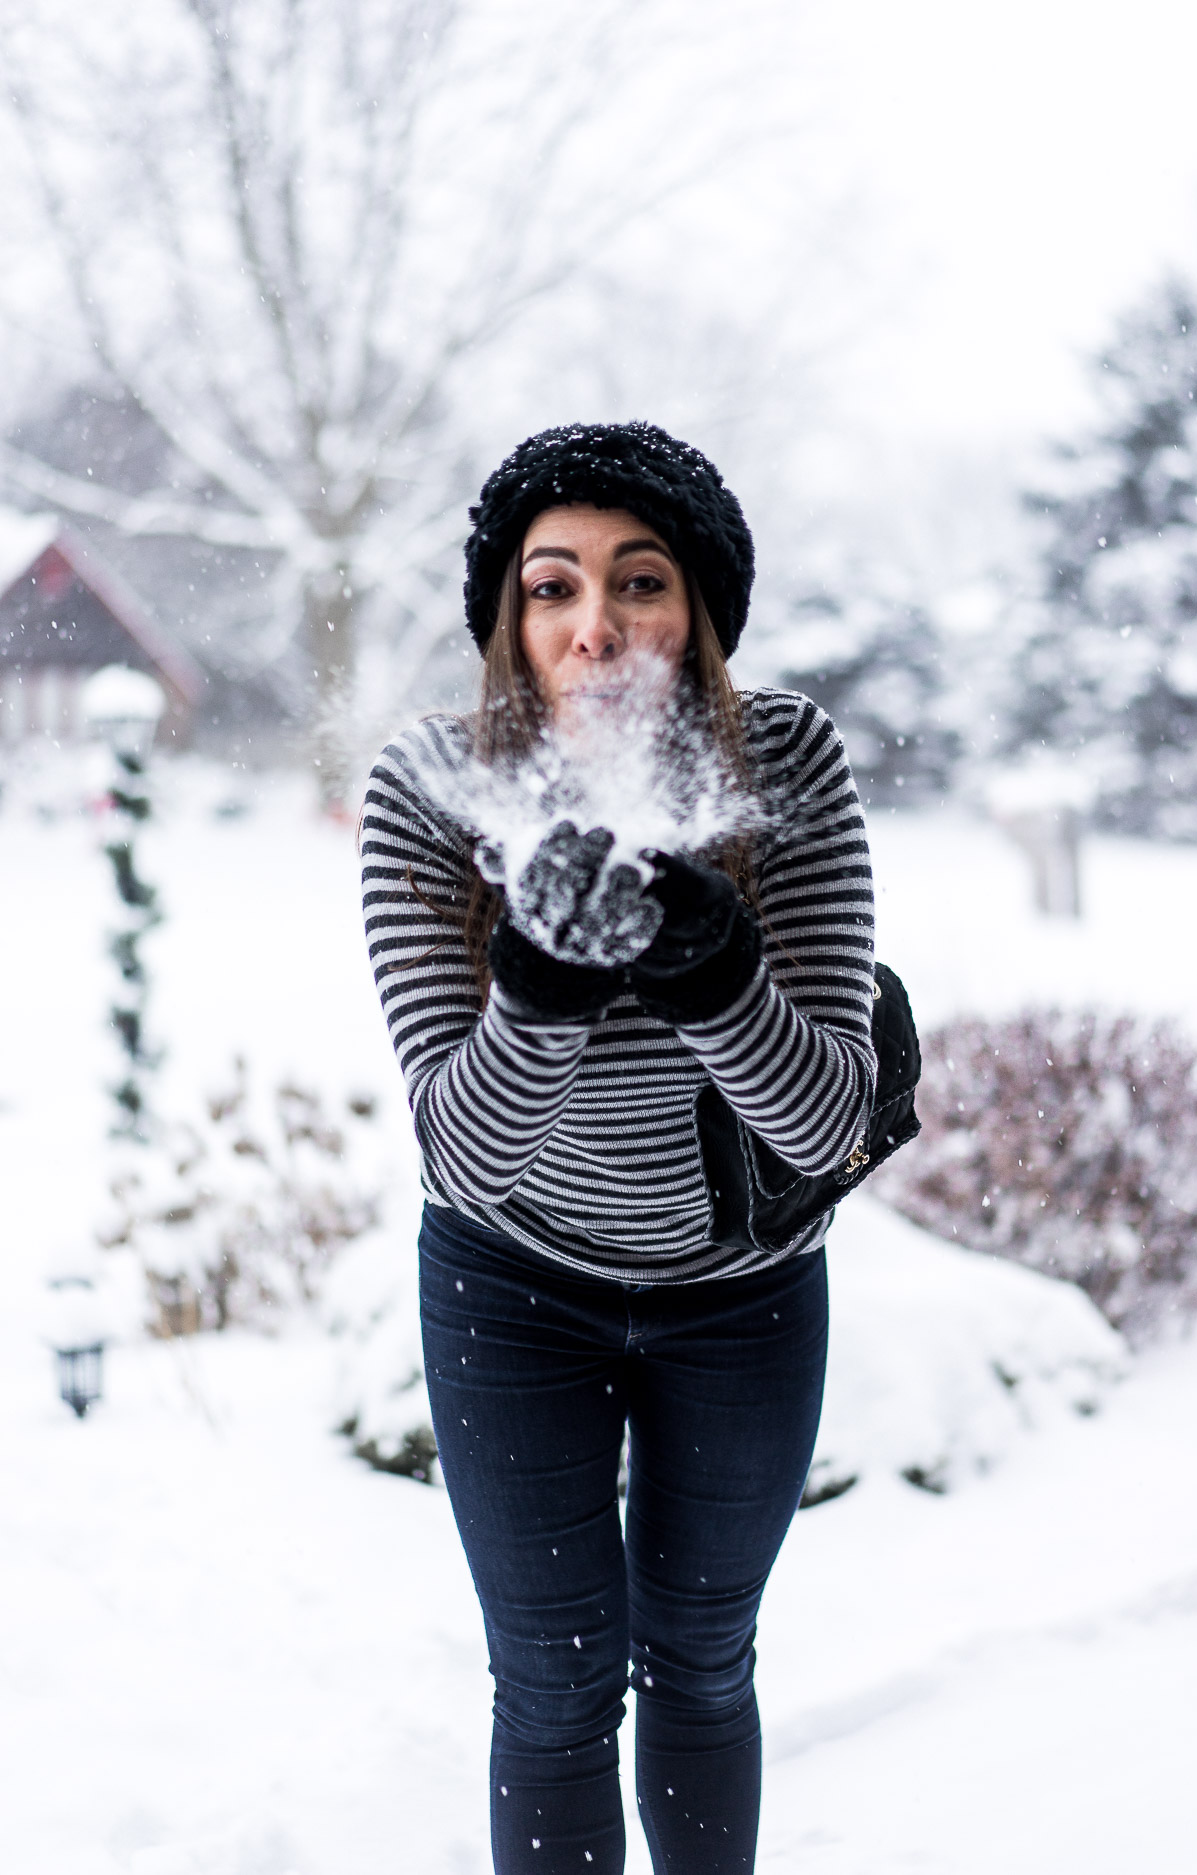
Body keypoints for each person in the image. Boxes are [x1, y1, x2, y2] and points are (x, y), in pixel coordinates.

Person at [360, 422, 876, 1874]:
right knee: (555, 1682)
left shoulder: (782, 765)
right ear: (508, 624)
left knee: (703, 1660)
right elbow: (464, 1155)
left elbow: (824, 1124)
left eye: (640, 583)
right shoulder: (431, 790)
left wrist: (718, 975)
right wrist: (542, 989)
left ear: (698, 611)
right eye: (552, 587)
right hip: (511, 1287)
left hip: (745, 1293)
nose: (597, 626)